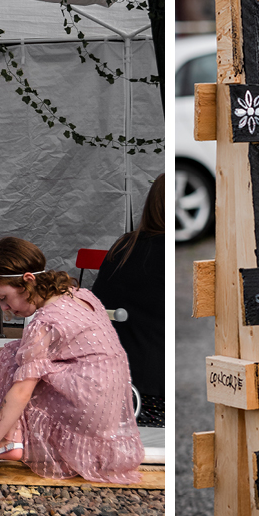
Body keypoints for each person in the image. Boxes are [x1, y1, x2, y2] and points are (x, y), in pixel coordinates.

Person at [0, 236, 144, 484]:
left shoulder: (43, 323)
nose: (4, 308)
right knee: (20, 356)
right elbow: (30, 349)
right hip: (109, 403)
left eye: (4, 298)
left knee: (19, 370)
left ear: (28, 280)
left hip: (86, 405)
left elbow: (21, 391)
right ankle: (11, 437)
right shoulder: (79, 295)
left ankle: (10, 440)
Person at [91, 174, 165, 426]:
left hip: (116, 378)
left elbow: (98, 306)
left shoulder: (124, 246)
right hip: (157, 386)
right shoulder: (168, 253)